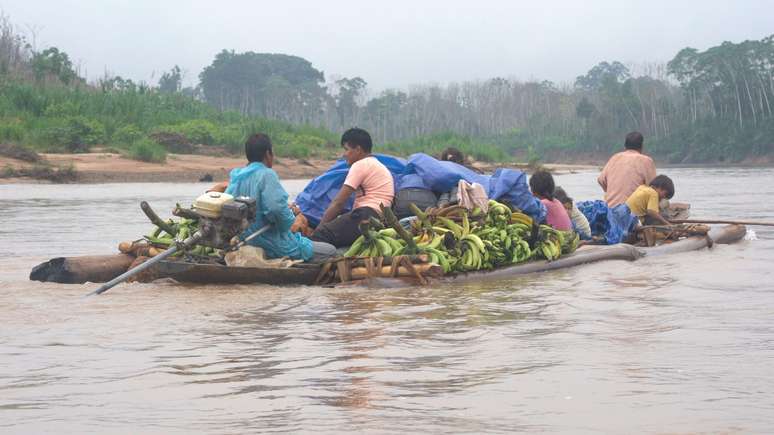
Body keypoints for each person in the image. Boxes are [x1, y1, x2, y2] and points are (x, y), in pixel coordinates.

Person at [225, 133, 336, 262]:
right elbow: (276, 210)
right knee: (330, 251)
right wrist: (290, 216)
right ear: (268, 154)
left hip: (244, 241)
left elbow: (228, 205)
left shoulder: (237, 177)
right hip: (270, 243)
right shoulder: (267, 175)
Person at [311, 128, 395, 247]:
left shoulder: (360, 165)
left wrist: (318, 230)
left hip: (367, 215)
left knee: (321, 235)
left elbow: (338, 203)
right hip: (380, 218)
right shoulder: (377, 164)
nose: (344, 154)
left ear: (358, 149)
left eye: (346, 149)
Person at [597, 131, 657, 207]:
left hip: (610, 210)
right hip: (633, 212)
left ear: (625, 146)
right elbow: (654, 188)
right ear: (641, 146)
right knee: (663, 203)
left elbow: (600, 180)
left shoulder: (615, 157)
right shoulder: (646, 161)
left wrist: (610, 192)